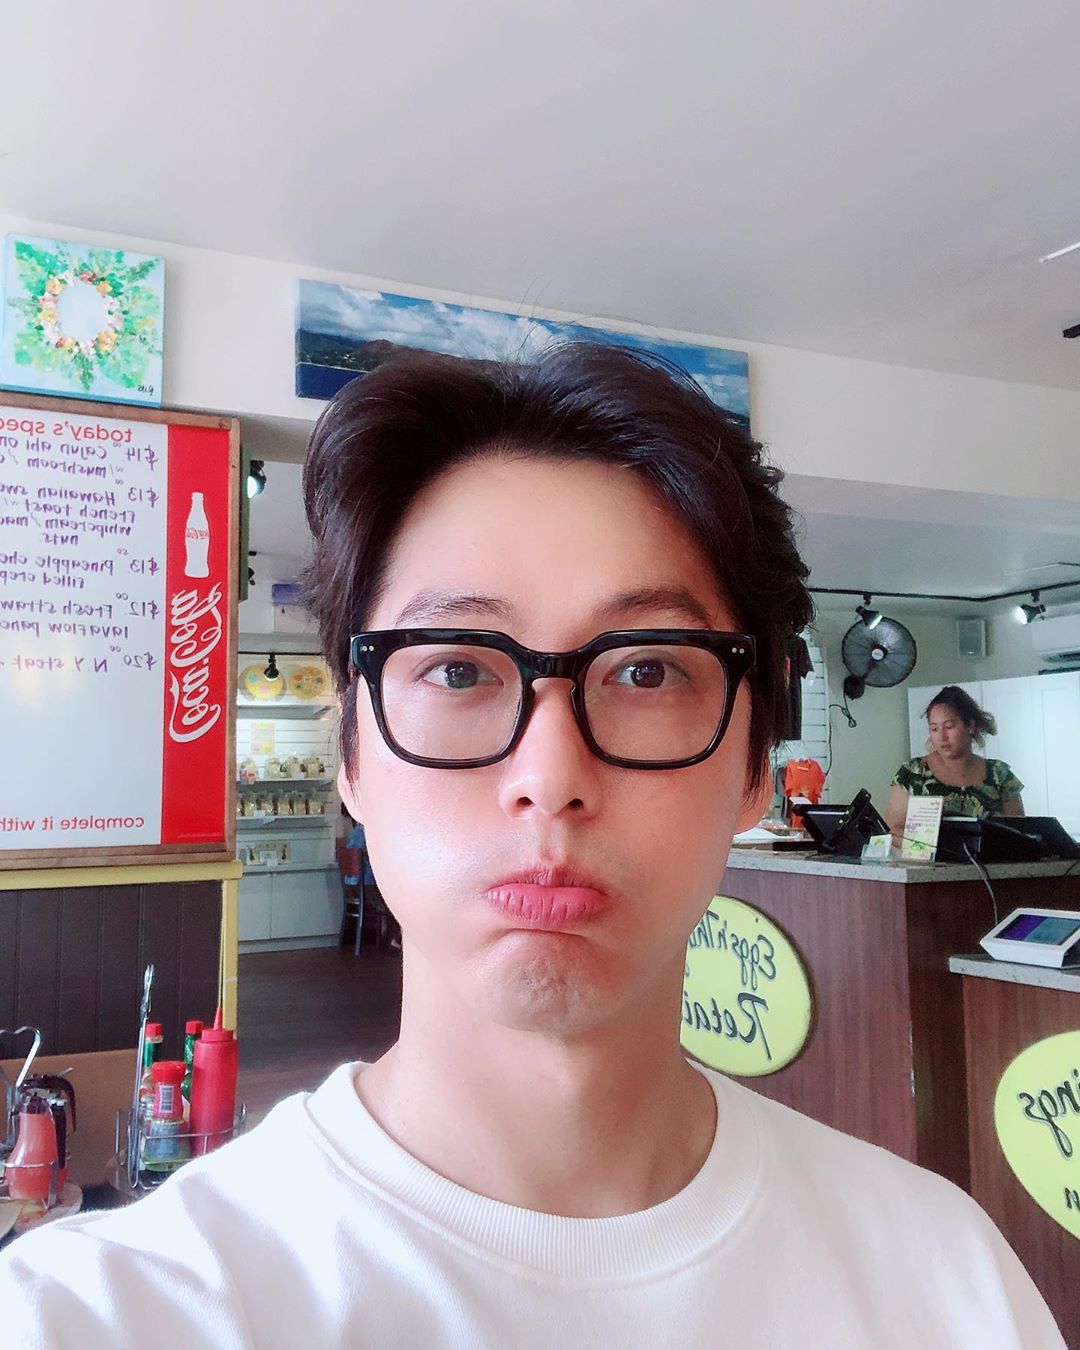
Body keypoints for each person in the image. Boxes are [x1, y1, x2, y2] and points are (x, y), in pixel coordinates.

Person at [0, 346, 1061, 1347]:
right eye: (458, 669)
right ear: (352, 755)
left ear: (756, 763)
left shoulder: (946, 1281)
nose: (550, 778)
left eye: (647, 669)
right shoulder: (97, 1314)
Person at [887, 685, 1025, 837]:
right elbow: (893, 830)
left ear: (971, 726)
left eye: (949, 726)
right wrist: (928, 845)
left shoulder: (1000, 774)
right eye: (934, 729)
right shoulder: (912, 774)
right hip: (929, 853)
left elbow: (1019, 834)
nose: (942, 737)